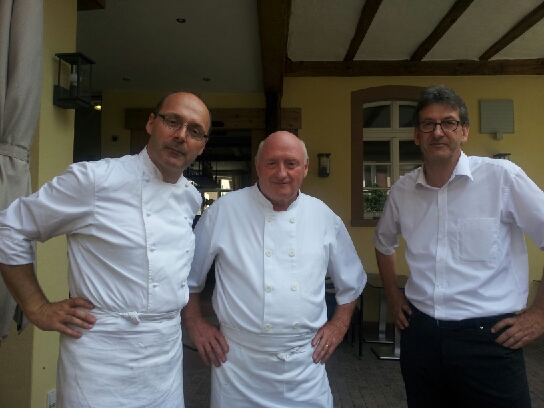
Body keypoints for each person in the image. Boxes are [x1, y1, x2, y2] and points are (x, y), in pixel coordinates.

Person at [0, 91, 211, 407]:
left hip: (164, 361)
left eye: (194, 131)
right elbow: (9, 228)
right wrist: (37, 307)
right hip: (99, 362)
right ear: (151, 124)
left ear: (201, 146)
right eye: (173, 121)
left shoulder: (190, 197)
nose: (181, 135)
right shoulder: (95, 180)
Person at [373, 84, 544, 408]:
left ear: (464, 131)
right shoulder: (402, 191)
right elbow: (383, 243)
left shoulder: (502, 178)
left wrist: (540, 314)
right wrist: (394, 297)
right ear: (417, 135)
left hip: (489, 340)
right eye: (428, 124)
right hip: (421, 337)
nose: (438, 132)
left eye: (448, 122)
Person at [182, 131, 366, 407]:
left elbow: (351, 282)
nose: (281, 173)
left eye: (291, 163)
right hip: (239, 365)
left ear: (305, 168)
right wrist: (195, 322)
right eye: (272, 163)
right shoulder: (223, 211)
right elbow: (187, 277)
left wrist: (339, 325)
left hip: (306, 365)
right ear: (257, 166)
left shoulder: (323, 216)